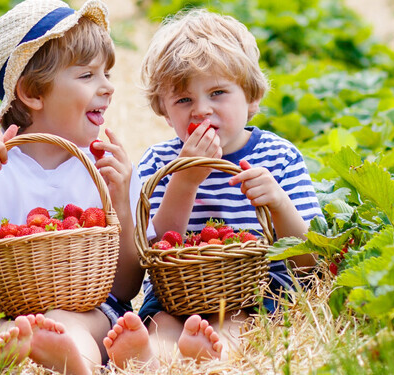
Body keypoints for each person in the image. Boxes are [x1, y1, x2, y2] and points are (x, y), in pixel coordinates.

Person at [0, 1, 148, 373]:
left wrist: (121, 201)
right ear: (33, 93)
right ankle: (10, 348)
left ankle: (75, 361)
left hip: (86, 306)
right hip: (0, 306)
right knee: (3, 331)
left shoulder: (104, 166)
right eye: (87, 75)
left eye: (106, 73)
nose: (107, 87)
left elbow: (124, 288)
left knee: (74, 324)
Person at [103, 8, 324, 369]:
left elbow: (310, 263)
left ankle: (214, 353)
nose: (201, 110)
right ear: (163, 108)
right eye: (184, 100)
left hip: (254, 291)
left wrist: (279, 205)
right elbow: (158, 248)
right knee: (162, 323)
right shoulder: (159, 163)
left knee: (238, 323)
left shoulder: (279, 157)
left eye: (218, 93)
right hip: (177, 295)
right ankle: (148, 356)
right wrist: (186, 179)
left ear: (251, 98)